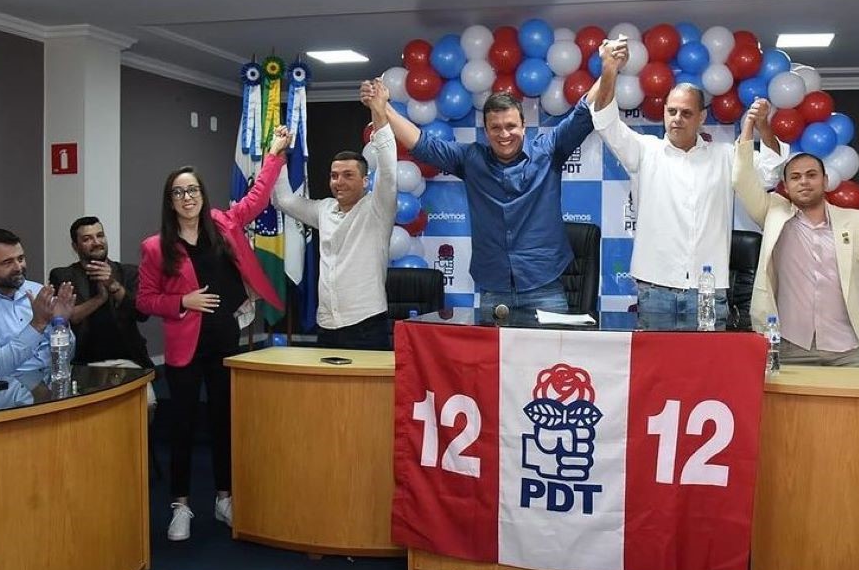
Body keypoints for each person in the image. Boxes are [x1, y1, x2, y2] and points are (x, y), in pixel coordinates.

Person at [137, 125, 290, 542]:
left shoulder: (224, 223)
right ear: (170, 202)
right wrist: (181, 303)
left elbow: (257, 198)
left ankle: (224, 498)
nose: (187, 198)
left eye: (193, 190)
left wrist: (275, 154)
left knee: (225, 421)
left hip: (224, 338)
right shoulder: (155, 247)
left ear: (203, 195)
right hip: (184, 346)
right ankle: (181, 505)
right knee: (183, 426)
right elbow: (145, 300)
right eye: (178, 193)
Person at [590, 37, 785, 328]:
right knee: (655, 370)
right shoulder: (644, 150)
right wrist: (609, 70)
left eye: (686, 113)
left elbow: (770, 172)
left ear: (701, 117)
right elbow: (605, 122)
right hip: (654, 288)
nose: (677, 119)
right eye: (672, 111)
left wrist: (763, 127)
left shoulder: (725, 156)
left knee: (705, 371)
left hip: (708, 291)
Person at [383, 78, 598, 315]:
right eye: (495, 127)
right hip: (494, 291)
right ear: (486, 131)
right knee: (494, 354)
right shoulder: (470, 159)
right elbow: (421, 144)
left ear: (523, 126)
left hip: (544, 288)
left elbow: (585, 113)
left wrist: (609, 68)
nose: (504, 133)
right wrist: (384, 107)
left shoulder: (548, 151)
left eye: (511, 125)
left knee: (551, 354)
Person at [733, 102, 859, 367]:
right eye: (796, 177)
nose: (804, 182)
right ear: (786, 187)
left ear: (825, 181)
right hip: (788, 345)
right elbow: (742, 180)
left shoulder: (857, 222)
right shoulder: (774, 214)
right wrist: (751, 127)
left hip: (847, 348)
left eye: (811, 175)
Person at [269, 79, 397, 350]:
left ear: (365, 181)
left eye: (348, 175)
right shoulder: (323, 209)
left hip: (366, 324)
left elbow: (388, 169)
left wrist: (379, 112)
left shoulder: (378, 208)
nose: (339, 181)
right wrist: (277, 153)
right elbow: (282, 200)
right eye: (334, 175)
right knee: (327, 394)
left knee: (366, 394)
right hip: (326, 323)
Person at [0, 228, 76, 382]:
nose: (18, 267)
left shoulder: (37, 291)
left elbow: (68, 356)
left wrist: (61, 325)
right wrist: (37, 325)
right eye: (7, 262)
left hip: (51, 387)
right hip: (1, 398)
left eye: (20, 259)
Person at [49, 217, 154, 370]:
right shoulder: (63, 276)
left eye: (100, 236)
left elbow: (142, 314)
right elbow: (70, 317)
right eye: (87, 239)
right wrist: (100, 299)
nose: (97, 242)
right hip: (82, 363)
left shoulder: (128, 272)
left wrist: (113, 284)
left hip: (129, 359)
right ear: (75, 246)